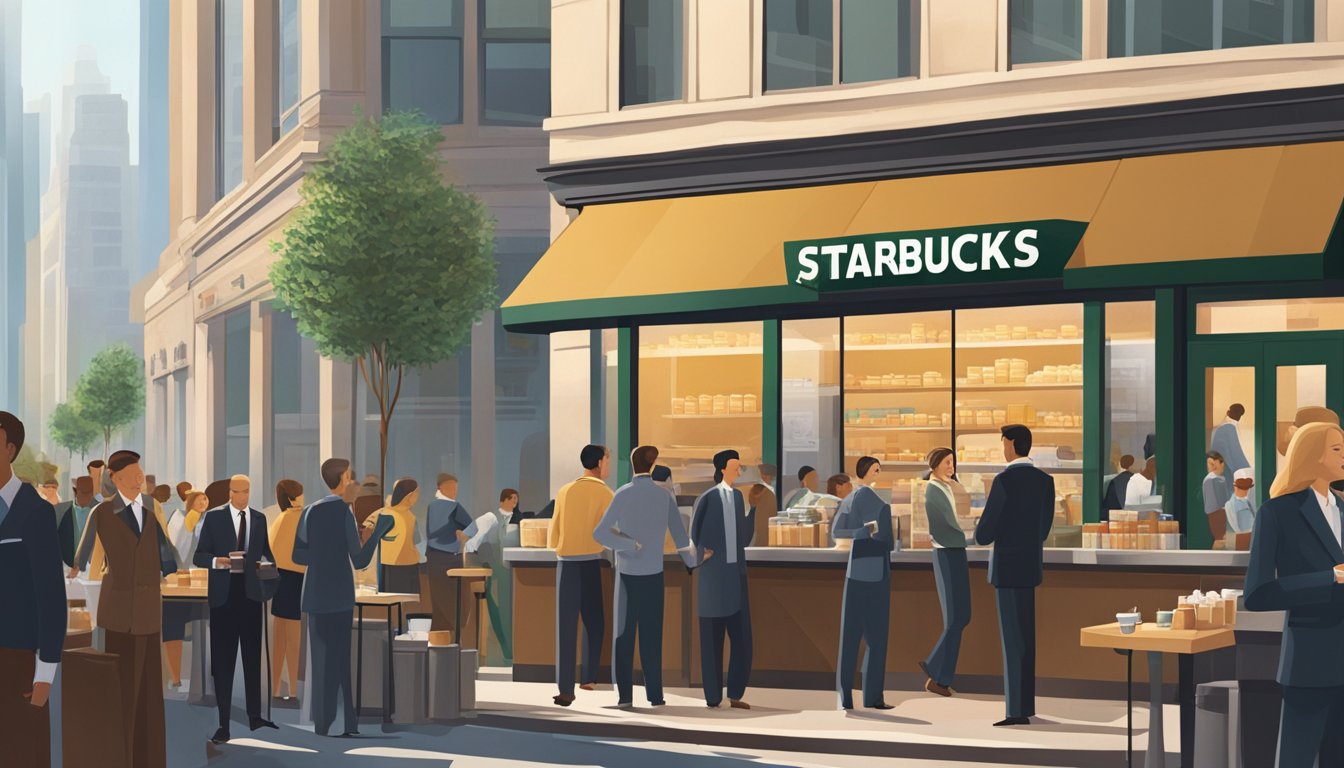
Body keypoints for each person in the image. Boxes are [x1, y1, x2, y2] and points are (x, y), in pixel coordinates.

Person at [1244, 422, 1344, 768]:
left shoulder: (1343, 508)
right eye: (1336, 449)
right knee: (1295, 760)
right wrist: (1328, 579)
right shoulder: (1276, 513)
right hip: (1309, 664)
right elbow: (1256, 594)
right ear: (1311, 455)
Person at [69, 449, 178, 768]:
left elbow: (166, 554)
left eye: (140, 472)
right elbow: (83, 552)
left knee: (149, 695)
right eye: (132, 474)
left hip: (148, 611)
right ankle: (120, 758)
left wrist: (170, 568)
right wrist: (76, 570)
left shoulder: (151, 508)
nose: (139, 477)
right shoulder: (103, 512)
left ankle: (150, 759)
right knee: (122, 692)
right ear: (115, 479)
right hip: (119, 613)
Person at [293, 458, 394, 737]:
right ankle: (345, 724)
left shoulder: (310, 511)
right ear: (343, 479)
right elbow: (360, 560)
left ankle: (322, 725)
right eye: (351, 476)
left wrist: (321, 554)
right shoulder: (344, 513)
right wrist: (376, 533)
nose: (354, 481)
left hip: (315, 595)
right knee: (340, 661)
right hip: (338, 595)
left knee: (321, 661)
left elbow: (297, 555)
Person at [593, 447, 697, 709]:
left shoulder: (623, 494)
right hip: (654, 574)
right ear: (653, 466)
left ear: (631, 463)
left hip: (627, 573)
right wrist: (694, 562)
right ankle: (655, 696)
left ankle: (625, 697)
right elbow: (682, 539)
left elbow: (600, 533)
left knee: (623, 637)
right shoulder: (664, 496)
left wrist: (627, 544)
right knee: (653, 637)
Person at [975, 425, 1055, 727]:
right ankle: (1027, 705)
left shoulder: (1004, 480)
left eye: (1004, 442)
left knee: (1011, 642)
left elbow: (985, 533)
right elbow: (1044, 528)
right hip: (1030, 566)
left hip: (1006, 568)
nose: (1002, 448)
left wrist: (985, 532)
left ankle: (1015, 711)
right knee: (1026, 639)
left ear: (1011, 444)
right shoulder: (1045, 481)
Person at [0, 412, 66, 768]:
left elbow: (51, 596)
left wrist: (45, 672)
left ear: (10, 449)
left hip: (18, 658)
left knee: (21, 751)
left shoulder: (35, 512)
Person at [193, 474, 278, 743]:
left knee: (253, 658)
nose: (243, 496)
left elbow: (267, 553)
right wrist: (219, 562)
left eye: (246, 491)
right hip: (224, 598)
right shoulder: (215, 518)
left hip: (252, 597)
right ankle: (223, 723)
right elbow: (199, 556)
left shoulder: (259, 519)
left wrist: (266, 567)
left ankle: (255, 715)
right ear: (230, 492)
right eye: (238, 491)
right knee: (224, 661)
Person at [548, 445, 613, 707]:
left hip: (566, 565)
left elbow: (553, 535)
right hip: (591, 564)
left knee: (565, 628)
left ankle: (565, 689)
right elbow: (611, 530)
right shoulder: (606, 493)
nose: (608, 464)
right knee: (594, 622)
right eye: (607, 459)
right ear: (599, 462)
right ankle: (588, 677)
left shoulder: (565, 490)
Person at [691, 449, 754, 710]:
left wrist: (756, 510)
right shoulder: (707, 498)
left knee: (742, 638)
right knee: (712, 640)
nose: (739, 471)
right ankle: (713, 696)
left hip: (736, 575)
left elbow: (743, 537)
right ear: (723, 468)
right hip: (714, 577)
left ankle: (736, 692)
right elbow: (694, 534)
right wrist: (700, 556)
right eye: (736, 467)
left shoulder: (739, 498)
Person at [832, 456, 893, 711]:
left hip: (854, 572)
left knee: (850, 637)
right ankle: (873, 697)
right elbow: (886, 540)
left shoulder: (848, 499)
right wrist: (872, 532)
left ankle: (845, 696)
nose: (878, 473)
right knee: (876, 639)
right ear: (867, 472)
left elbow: (837, 531)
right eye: (876, 469)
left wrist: (858, 533)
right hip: (876, 572)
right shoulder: (876, 501)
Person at [920, 447, 971, 698]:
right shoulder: (933, 491)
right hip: (947, 553)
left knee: (962, 616)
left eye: (953, 462)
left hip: (955, 551)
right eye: (947, 462)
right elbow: (947, 526)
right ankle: (936, 672)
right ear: (935, 464)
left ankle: (939, 674)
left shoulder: (947, 487)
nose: (952, 467)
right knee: (956, 617)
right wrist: (972, 538)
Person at [459, 488, 519, 662]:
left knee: (507, 610)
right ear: (503, 500)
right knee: (497, 609)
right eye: (512, 499)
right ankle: (505, 650)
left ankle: (509, 650)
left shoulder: (517, 519)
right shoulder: (491, 517)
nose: (515, 502)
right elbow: (467, 536)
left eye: (516, 499)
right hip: (495, 568)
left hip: (508, 571)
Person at [163, 489, 209, 689]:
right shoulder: (181, 519)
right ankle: (175, 677)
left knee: (203, 628)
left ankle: (203, 680)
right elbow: (176, 547)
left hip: (203, 580)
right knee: (173, 626)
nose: (203, 503)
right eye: (199, 500)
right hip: (180, 581)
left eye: (205, 499)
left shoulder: (209, 520)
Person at [268, 479, 306, 701]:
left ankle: (275, 689)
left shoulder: (280, 519)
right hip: (296, 580)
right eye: (300, 494)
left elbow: (272, 550)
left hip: (279, 580)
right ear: (293, 498)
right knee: (293, 640)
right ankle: (292, 690)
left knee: (279, 638)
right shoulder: (299, 518)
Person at [425, 473, 473, 633]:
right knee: (453, 601)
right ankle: (453, 637)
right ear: (440, 487)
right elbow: (473, 526)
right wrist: (462, 535)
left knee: (439, 602)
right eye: (451, 487)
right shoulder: (454, 507)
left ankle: (440, 636)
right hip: (450, 559)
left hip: (433, 558)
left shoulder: (432, 506)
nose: (454, 491)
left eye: (455, 488)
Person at [369, 477, 422, 594]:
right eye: (416, 493)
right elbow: (416, 540)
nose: (418, 496)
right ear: (408, 495)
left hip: (398, 565)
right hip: (398, 565)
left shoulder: (389, 513)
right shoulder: (399, 516)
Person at [55, 476, 96, 568]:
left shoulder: (101, 510)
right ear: (76, 492)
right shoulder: (59, 510)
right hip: (66, 568)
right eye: (83, 493)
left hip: (92, 569)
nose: (87, 497)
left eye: (90, 493)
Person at [1211, 403, 1251, 486]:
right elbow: (1234, 453)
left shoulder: (1224, 428)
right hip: (1227, 472)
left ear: (1228, 412)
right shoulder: (1228, 429)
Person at [1203, 452, 1231, 547]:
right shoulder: (1213, 479)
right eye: (1210, 464)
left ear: (1222, 464)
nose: (1213, 466)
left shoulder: (1218, 479)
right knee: (1220, 540)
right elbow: (1221, 501)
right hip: (1218, 513)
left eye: (1215, 463)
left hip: (1217, 513)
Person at [747, 463, 778, 547]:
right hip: (763, 539)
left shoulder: (755, 491)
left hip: (753, 536)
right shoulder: (769, 494)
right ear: (767, 477)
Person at [1102, 455, 1136, 520]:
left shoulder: (1114, 482)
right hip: (1136, 520)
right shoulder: (1139, 481)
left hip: (1116, 521)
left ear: (1119, 464)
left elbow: (1108, 508)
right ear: (1132, 466)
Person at [1227, 468, 1257, 536]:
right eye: (1241, 487)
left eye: (1246, 487)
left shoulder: (1249, 501)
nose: (1245, 491)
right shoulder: (1235, 505)